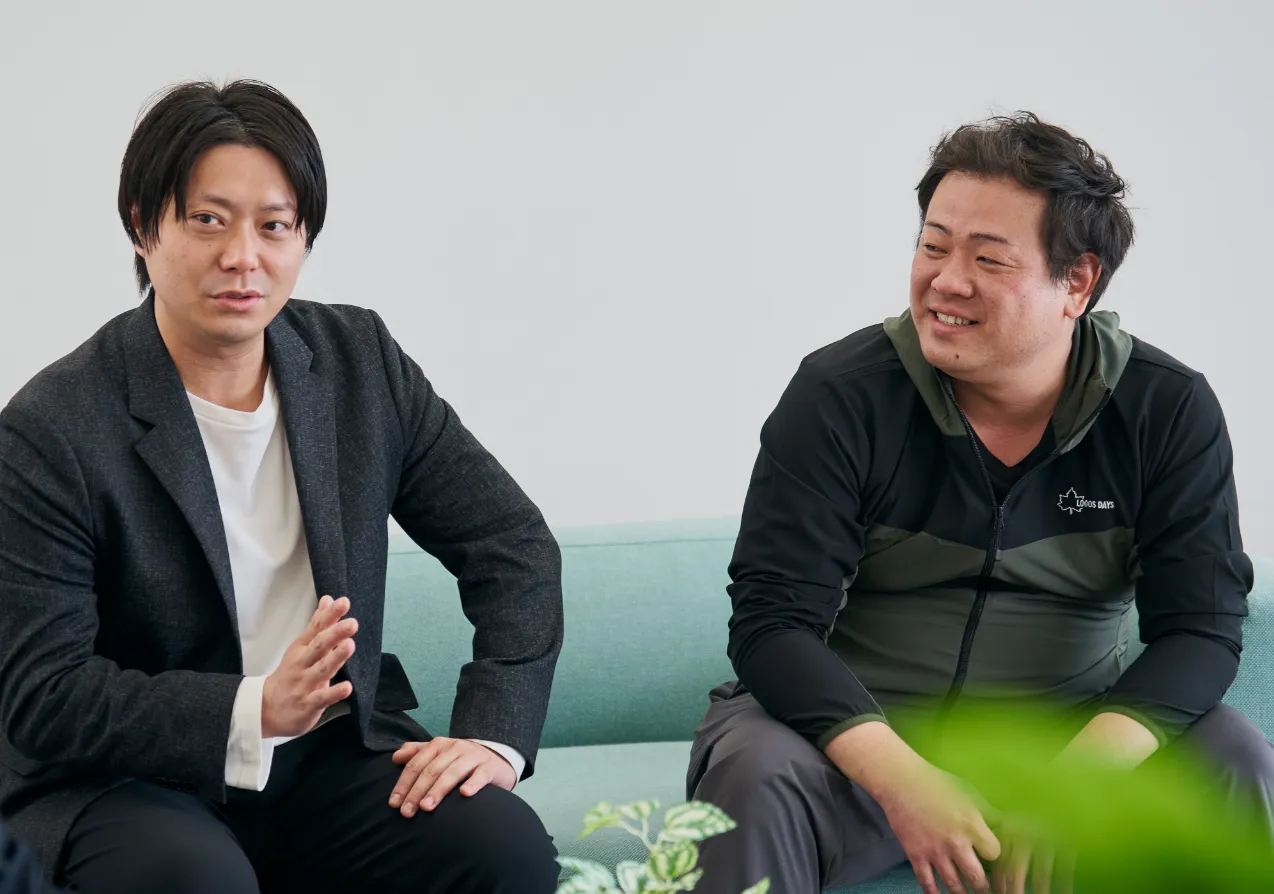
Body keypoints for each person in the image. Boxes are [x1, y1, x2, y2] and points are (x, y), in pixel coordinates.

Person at [687, 112, 1274, 894]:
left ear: (1077, 283)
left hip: (1064, 744)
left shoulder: (1164, 410)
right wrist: (905, 781)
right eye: (933, 246)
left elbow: (1201, 628)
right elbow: (772, 622)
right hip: (861, 750)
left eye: (987, 259)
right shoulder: (841, 396)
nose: (946, 281)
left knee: (1232, 754)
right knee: (756, 769)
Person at [0, 80, 563, 894]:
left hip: (326, 757)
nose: (244, 257)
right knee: (195, 877)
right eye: (208, 220)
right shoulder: (51, 428)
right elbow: (43, 694)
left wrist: (491, 737)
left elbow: (511, 544)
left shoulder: (359, 362)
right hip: (127, 780)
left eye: (274, 226)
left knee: (498, 846)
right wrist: (252, 708)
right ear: (142, 224)